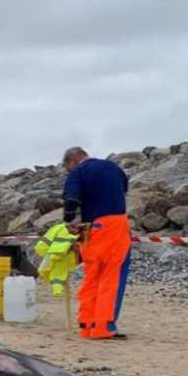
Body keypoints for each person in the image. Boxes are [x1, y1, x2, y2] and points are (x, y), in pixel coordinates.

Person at [61, 146, 130, 340]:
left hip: (91, 228)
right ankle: (103, 327)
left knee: (91, 276)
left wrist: (68, 221)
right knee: (111, 277)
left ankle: (86, 325)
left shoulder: (77, 173)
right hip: (115, 225)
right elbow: (124, 188)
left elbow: (71, 198)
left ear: (72, 161)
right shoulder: (112, 167)